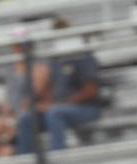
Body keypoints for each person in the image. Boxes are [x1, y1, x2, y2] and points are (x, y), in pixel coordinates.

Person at [16, 19, 103, 154]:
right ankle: (26, 159)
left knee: (55, 113)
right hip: (60, 108)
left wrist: (62, 103)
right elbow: (49, 87)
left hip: (86, 108)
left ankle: (59, 155)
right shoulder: (55, 59)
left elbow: (91, 90)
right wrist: (41, 104)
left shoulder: (83, 56)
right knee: (27, 118)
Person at [0, 29, 40, 157]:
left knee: (16, 126)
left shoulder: (38, 65)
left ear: (30, 45)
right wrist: (5, 116)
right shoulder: (11, 67)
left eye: (21, 45)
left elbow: (35, 94)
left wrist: (12, 118)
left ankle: (16, 153)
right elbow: (8, 96)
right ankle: (3, 156)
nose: (18, 48)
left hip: (29, 113)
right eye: (16, 45)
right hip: (13, 114)